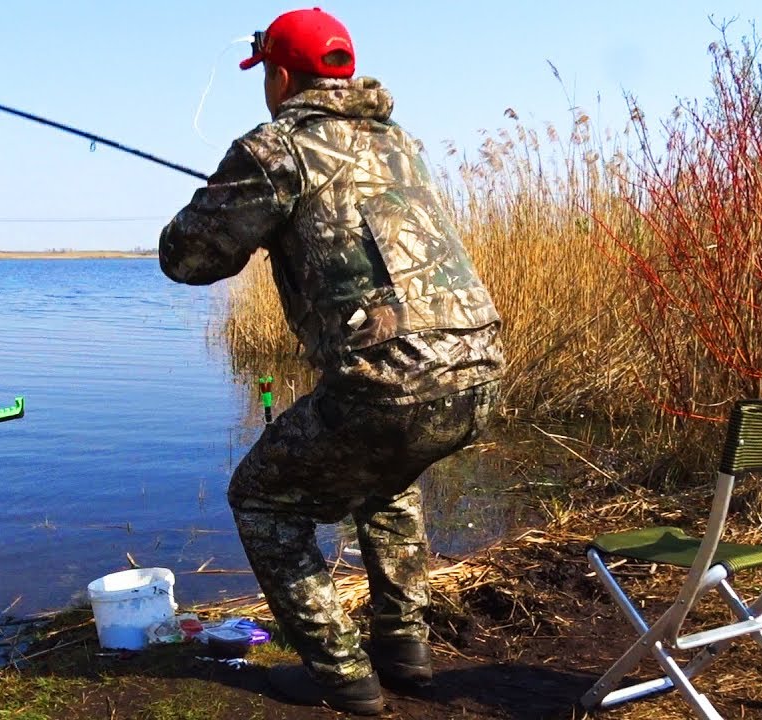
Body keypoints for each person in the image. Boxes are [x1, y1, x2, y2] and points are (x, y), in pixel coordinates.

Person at [158, 7, 505, 715]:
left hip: (389, 384)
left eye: (268, 78)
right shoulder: (399, 143)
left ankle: (343, 675)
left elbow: (186, 259)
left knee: (260, 498)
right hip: (482, 370)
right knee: (387, 477)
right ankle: (405, 651)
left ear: (281, 76)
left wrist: (226, 198)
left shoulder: (276, 149)